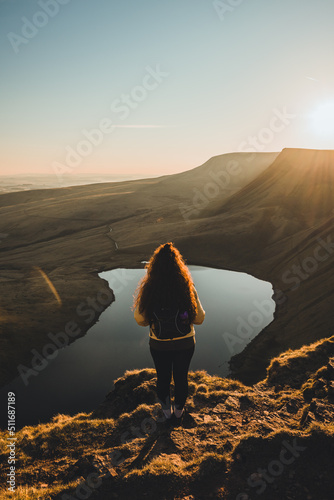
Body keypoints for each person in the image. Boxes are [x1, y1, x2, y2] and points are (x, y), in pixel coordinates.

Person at [133, 242, 205, 420]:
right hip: (185, 343)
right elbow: (199, 319)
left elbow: (140, 319)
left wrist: (154, 322)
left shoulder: (149, 289)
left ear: (154, 266)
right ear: (178, 265)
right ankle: (179, 413)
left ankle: (166, 414)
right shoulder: (187, 287)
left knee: (163, 378)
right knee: (181, 377)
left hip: (159, 344)